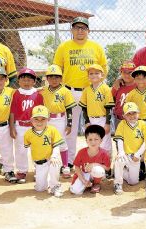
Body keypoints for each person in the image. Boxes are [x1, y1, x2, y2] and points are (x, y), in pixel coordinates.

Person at [53, 17, 107, 168]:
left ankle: (97, 159)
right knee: (70, 127)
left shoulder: (96, 47)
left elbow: (104, 68)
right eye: (76, 27)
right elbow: (56, 68)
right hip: (69, 91)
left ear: (88, 30)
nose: (80, 30)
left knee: (95, 126)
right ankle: (70, 161)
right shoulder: (64, 47)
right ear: (72, 30)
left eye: (83, 28)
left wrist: (99, 87)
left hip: (91, 92)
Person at [9, 68, 43, 183]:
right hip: (20, 125)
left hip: (34, 126)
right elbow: (12, 112)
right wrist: (12, 127)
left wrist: (40, 126)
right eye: (23, 79)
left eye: (29, 80)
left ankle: (38, 170)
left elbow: (41, 113)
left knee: (37, 148)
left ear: (34, 82)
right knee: (20, 150)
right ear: (18, 81)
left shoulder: (38, 95)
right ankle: (22, 170)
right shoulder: (16, 94)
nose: (26, 82)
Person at [42, 64, 76, 178]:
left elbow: (69, 108)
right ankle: (46, 166)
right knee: (47, 142)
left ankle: (65, 166)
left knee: (61, 142)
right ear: (47, 79)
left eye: (57, 77)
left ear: (61, 78)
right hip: (47, 120)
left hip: (60, 119)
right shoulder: (44, 91)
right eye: (51, 77)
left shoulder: (65, 91)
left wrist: (69, 123)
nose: (54, 79)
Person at [24, 105, 64, 197]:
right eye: (36, 119)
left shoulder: (52, 130)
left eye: (43, 119)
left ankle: (55, 186)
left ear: (48, 119)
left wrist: (54, 156)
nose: (39, 122)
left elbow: (57, 145)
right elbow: (28, 149)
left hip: (51, 159)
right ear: (31, 120)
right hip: (39, 163)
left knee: (55, 162)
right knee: (40, 189)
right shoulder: (28, 134)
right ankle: (44, 179)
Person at [79, 64, 114, 155]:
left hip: (103, 119)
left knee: (105, 142)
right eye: (91, 73)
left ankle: (107, 165)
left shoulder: (105, 88)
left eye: (97, 73)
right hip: (91, 120)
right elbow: (84, 107)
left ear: (102, 75)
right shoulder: (86, 90)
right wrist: (86, 121)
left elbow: (109, 107)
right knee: (93, 142)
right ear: (88, 76)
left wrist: (107, 123)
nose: (94, 75)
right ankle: (96, 163)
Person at [113, 102, 146, 195]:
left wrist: (138, 154)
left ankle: (120, 171)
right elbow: (119, 139)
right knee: (119, 160)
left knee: (133, 182)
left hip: (136, 156)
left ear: (138, 113)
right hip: (125, 154)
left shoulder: (142, 124)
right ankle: (118, 183)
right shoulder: (122, 124)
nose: (132, 116)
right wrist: (121, 152)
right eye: (129, 113)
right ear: (124, 116)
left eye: (134, 113)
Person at [70, 125, 111, 195]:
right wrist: (83, 180)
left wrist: (95, 164)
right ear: (86, 141)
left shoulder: (104, 153)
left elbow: (107, 168)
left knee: (98, 170)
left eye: (96, 139)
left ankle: (96, 184)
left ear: (101, 140)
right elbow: (76, 167)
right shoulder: (81, 152)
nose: (93, 142)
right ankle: (87, 184)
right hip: (84, 174)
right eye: (90, 139)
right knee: (75, 191)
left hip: (96, 175)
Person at [111, 60, 136, 128]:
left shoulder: (139, 86)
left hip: (134, 120)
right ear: (121, 73)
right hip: (119, 119)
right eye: (124, 72)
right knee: (119, 138)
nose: (127, 75)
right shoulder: (117, 86)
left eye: (130, 72)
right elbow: (110, 99)